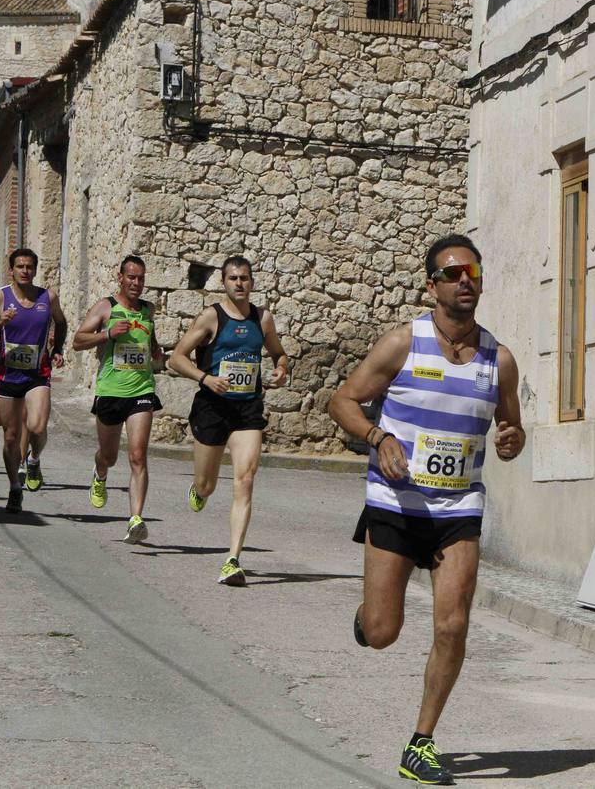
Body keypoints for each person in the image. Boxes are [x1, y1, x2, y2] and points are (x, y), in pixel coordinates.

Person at [328, 234, 525, 786]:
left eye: (473, 273)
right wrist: (378, 436)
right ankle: (368, 618)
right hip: (395, 502)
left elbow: (511, 427)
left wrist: (512, 439)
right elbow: (342, 401)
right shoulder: (402, 344)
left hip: (458, 507)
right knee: (383, 631)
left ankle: (421, 742)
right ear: (431, 286)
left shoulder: (499, 360)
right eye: (453, 273)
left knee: (453, 624)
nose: (465, 281)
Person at [169, 255, 289, 587]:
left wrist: (281, 369)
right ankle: (200, 488)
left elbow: (279, 353)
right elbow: (176, 358)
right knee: (207, 484)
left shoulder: (262, 319)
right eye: (233, 278)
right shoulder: (211, 317)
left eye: (244, 278)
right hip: (212, 408)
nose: (239, 283)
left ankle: (233, 560)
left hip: (247, 409)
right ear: (223, 282)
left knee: (245, 479)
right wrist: (205, 378)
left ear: (252, 282)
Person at [72, 255, 164, 543]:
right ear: (120, 277)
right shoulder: (106, 307)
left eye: (141, 278)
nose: (136, 283)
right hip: (111, 391)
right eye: (131, 277)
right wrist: (108, 333)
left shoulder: (148, 310)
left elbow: (150, 341)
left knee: (137, 456)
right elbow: (78, 341)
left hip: (141, 391)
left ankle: (135, 519)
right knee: (109, 456)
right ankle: (100, 474)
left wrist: (156, 352)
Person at [0, 248, 67, 513]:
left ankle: (34, 459)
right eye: (20, 266)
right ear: (11, 270)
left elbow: (61, 322)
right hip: (7, 374)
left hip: (37, 373)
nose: (25, 271)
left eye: (29, 267)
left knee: (37, 426)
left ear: (35, 270)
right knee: (11, 437)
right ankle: (14, 487)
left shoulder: (48, 297)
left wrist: (57, 348)